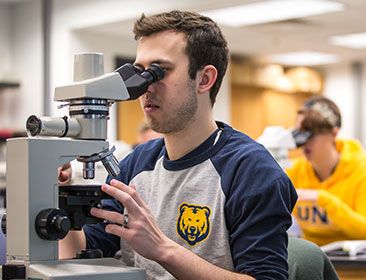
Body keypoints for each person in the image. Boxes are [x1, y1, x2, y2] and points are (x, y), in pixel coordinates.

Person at [60, 10, 297, 280]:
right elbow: (85, 253)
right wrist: (63, 199)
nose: (145, 87)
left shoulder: (250, 171)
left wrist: (162, 249)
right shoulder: (138, 163)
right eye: (139, 72)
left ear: (205, 79)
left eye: (158, 72)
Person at [285, 96, 366, 246]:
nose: (304, 142)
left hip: (357, 258)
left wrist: (322, 199)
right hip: (315, 255)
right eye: (300, 133)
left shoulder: (362, 167)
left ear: (334, 134)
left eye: (311, 133)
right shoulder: (295, 170)